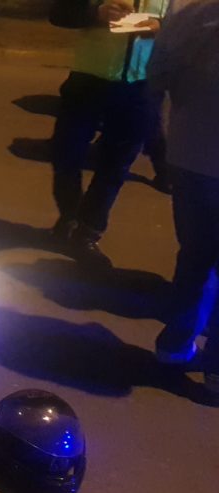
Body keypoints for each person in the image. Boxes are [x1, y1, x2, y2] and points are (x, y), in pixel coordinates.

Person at [47, 0, 168, 268]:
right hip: (87, 81)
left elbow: (187, 26)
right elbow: (59, 12)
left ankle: (87, 232)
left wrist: (162, 26)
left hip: (141, 87)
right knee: (66, 155)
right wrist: (96, 12)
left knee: (116, 166)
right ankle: (69, 216)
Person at [147, 0, 219, 401]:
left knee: (194, 256)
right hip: (195, 155)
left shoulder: (190, 16)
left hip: (190, 155)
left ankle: (174, 347)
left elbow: (156, 77)